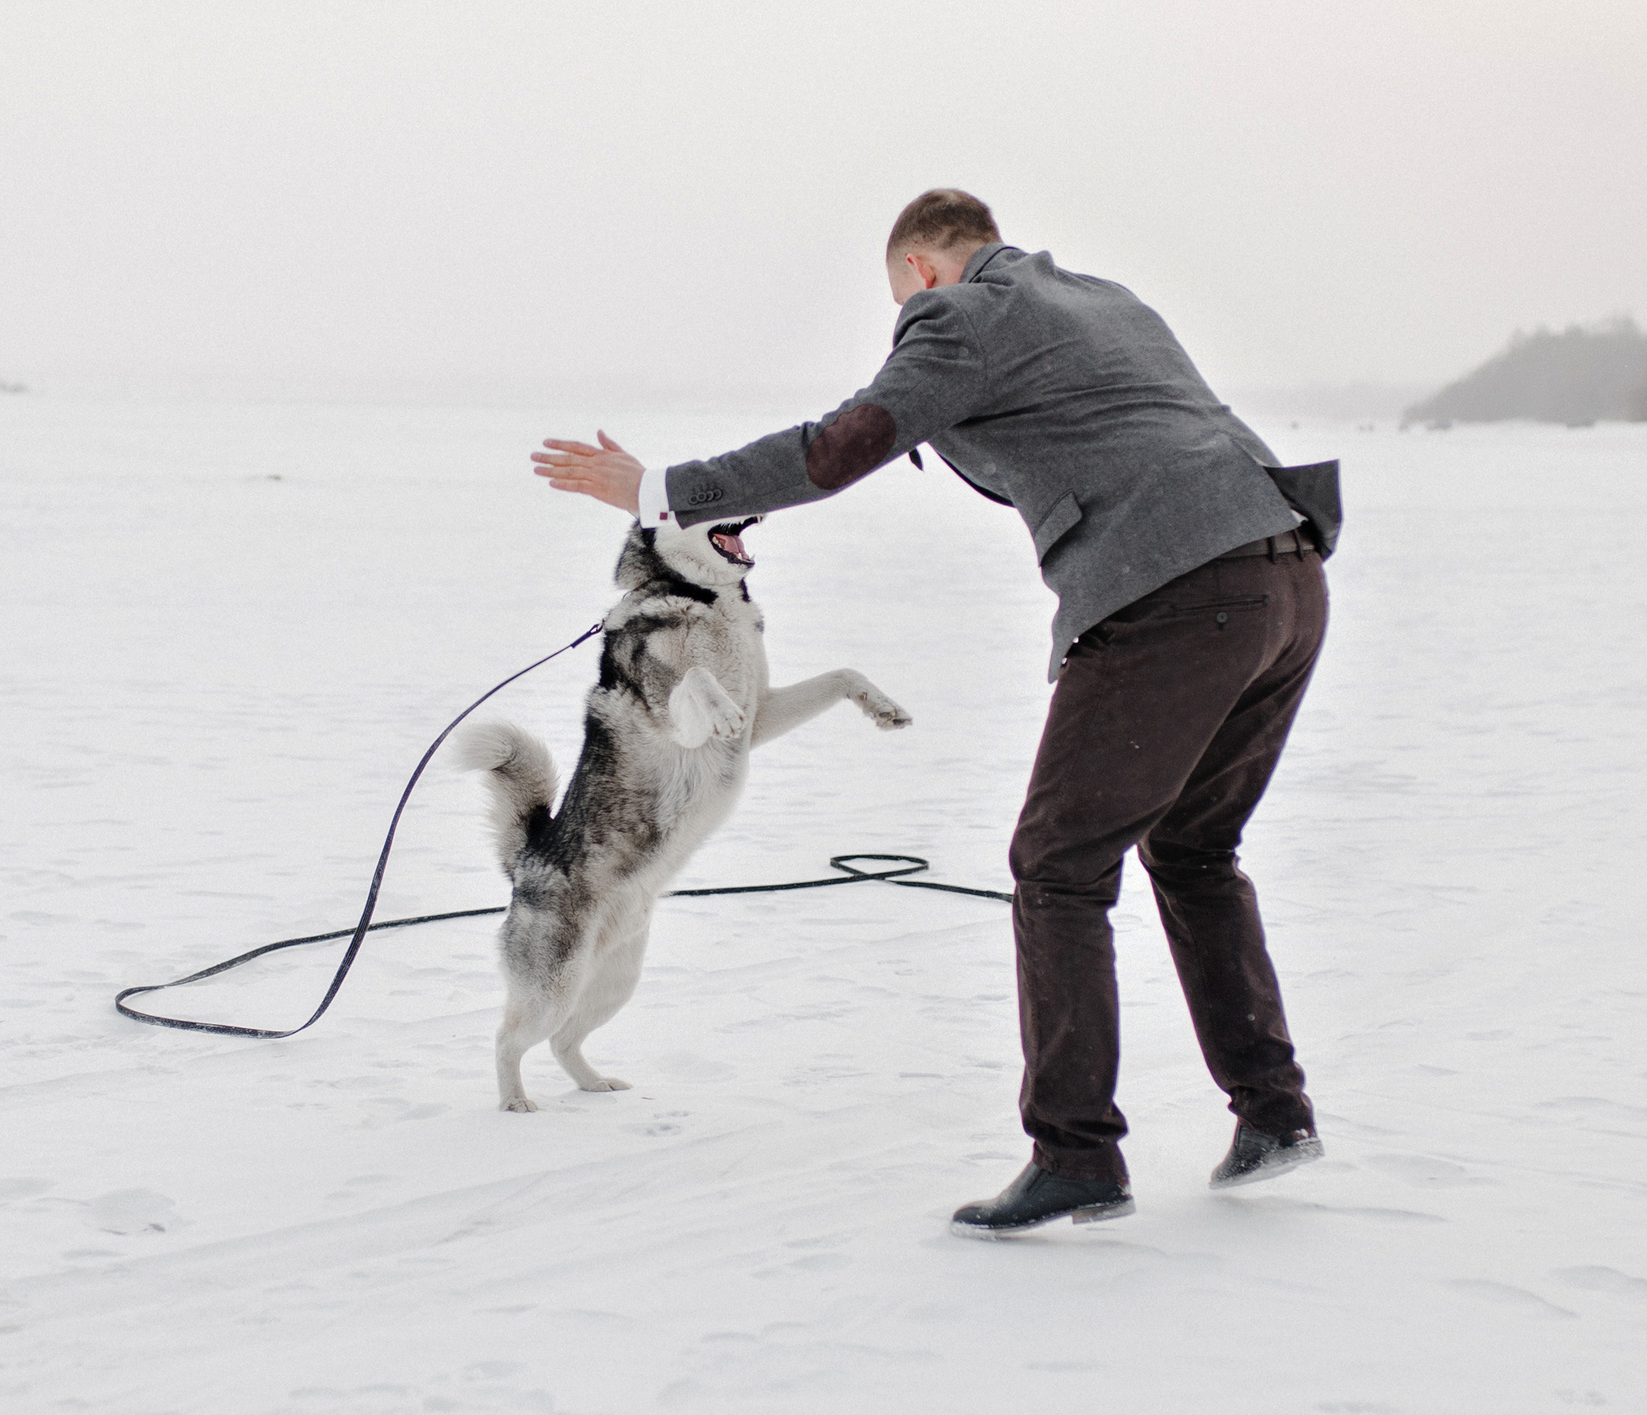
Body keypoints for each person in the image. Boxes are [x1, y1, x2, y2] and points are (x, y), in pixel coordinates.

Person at [532, 188, 1337, 1238]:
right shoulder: (1105, 303)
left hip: (1174, 594)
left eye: (896, 299)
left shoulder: (960, 314)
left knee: (1057, 867)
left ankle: (1077, 1154)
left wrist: (662, 490)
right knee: (1191, 850)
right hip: (1285, 578)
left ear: (919, 268)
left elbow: (842, 444)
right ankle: (1273, 1114)